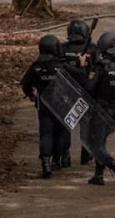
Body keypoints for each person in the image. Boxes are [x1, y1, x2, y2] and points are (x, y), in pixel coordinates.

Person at [21, 35, 87, 178]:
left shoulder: (36, 67)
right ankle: (57, 161)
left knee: (45, 134)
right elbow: (81, 77)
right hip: (61, 105)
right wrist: (81, 64)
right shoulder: (62, 66)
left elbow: (25, 83)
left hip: (44, 106)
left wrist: (31, 95)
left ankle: (46, 163)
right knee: (59, 133)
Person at [84, 32, 115, 188]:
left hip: (100, 110)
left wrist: (87, 71)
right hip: (114, 110)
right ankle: (98, 175)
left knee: (94, 144)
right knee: (101, 142)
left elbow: (90, 88)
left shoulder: (101, 67)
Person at [62, 19, 97, 168]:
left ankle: (64, 156)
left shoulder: (62, 48)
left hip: (66, 92)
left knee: (65, 125)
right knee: (86, 125)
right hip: (86, 92)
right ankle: (86, 155)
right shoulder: (93, 49)